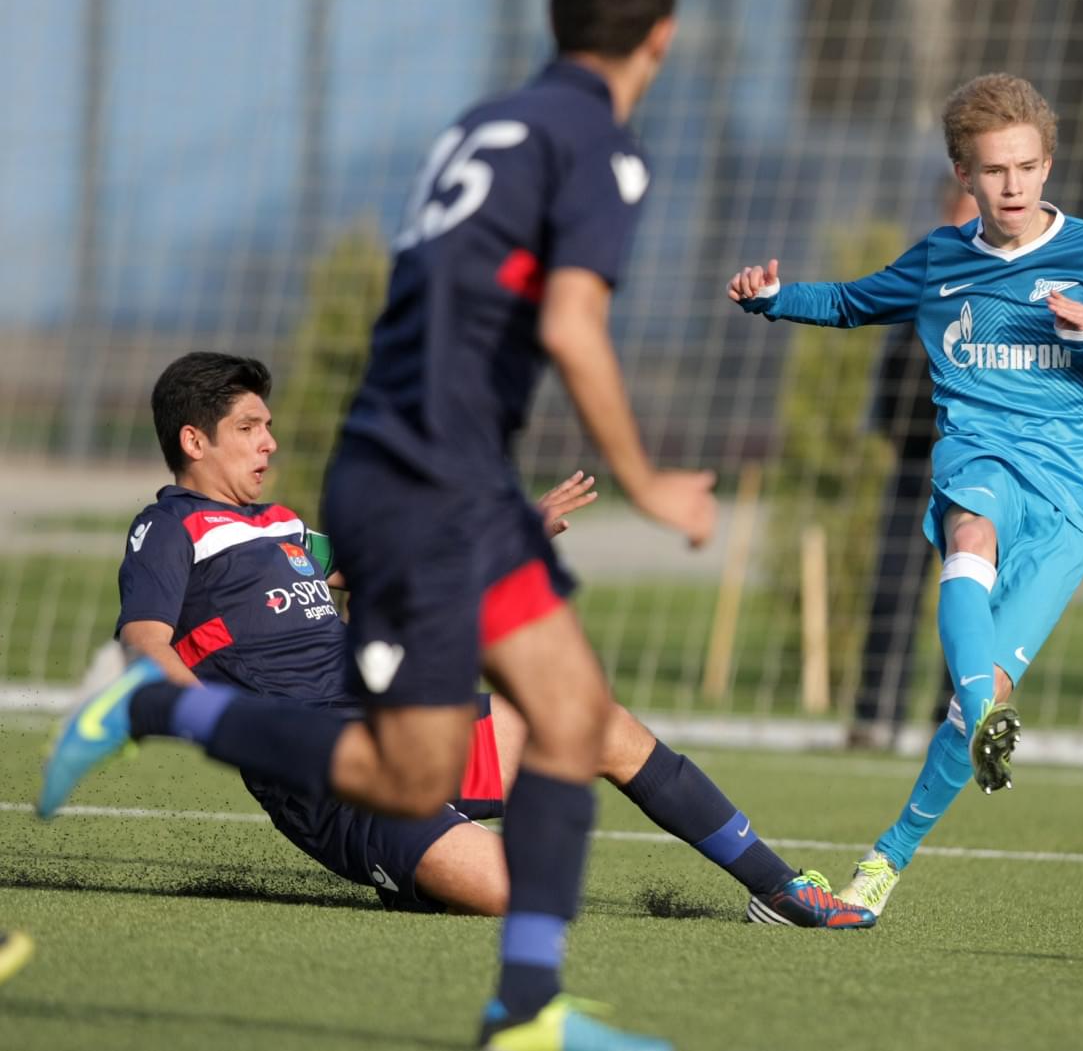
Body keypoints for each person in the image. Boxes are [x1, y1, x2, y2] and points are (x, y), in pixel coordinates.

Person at [44, 0, 748, 1050]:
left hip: (405, 472)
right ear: (658, 38)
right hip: (435, 472)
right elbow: (572, 325)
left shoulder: (480, 125)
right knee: (530, 753)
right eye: (245, 427)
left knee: (560, 718)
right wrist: (650, 479)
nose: (265, 443)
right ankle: (160, 708)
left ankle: (531, 1006)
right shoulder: (599, 146)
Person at [98, 351, 872, 926]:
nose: (269, 441)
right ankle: (417, 860)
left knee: (597, 721)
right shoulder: (167, 528)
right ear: (194, 440)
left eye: (268, 425)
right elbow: (144, 642)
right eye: (249, 427)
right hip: (333, 776)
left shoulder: (282, 526)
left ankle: (779, 888)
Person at [728, 72, 1083, 915]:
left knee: (988, 685)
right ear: (963, 174)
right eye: (994, 170)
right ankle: (982, 715)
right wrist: (774, 299)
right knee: (969, 530)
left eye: (1026, 167)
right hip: (979, 453)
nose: (1012, 186)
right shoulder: (941, 260)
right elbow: (852, 301)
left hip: (1076, 488)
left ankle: (885, 861)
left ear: (1048, 166)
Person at [848, 179, 979, 750]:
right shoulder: (926, 275)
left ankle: (958, 719)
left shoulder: (1014, 283)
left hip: (976, 467)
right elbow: (896, 367)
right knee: (892, 589)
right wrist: (890, 427)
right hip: (914, 464)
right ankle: (875, 715)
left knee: (971, 594)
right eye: (958, 209)